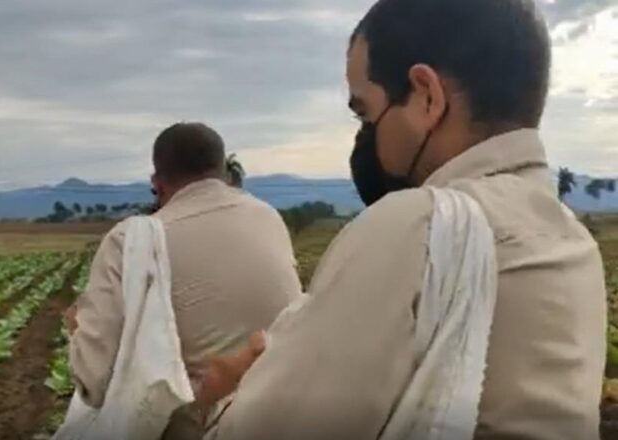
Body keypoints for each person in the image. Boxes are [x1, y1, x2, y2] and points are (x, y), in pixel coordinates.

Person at [198, 0, 608, 439]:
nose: (364, 135)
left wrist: (223, 395)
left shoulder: (421, 224)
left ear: (426, 95)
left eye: (365, 112)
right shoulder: (573, 240)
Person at [65, 122, 302, 439]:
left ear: (157, 184)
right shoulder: (269, 218)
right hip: (284, 418)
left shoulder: (129, 241)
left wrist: (77, 332)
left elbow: (95, 383)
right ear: (224, 172)